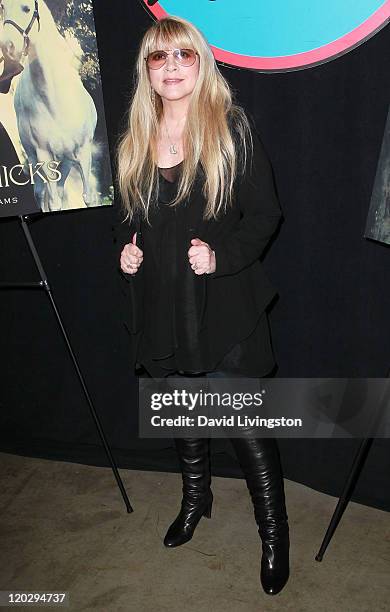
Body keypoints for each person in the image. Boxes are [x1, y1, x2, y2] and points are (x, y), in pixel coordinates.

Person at [115, 16, 289, 596]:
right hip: (163, 304)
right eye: (158, 57)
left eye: (183, 55)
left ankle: (274, 534)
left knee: (244, 426)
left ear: (201, 64)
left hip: (221, 305)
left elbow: (266, 216)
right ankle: (196, 501)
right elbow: (133, 223)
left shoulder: (232, 128)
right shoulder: (137, 136)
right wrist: (128, 254)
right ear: (147, 71)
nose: (170, 67)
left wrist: (221, 257)